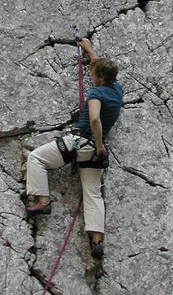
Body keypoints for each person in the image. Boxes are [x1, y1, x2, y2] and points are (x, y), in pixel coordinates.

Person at [25, 38, 123, 259]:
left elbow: (95, 120)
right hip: (96, 152)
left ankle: (43, 201)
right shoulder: (117, 90)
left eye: (93, 74)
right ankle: (97, 240)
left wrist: (98, 146)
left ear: (99, 78)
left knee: (36, 159)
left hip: (81, 142)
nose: (90, 74)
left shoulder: (95, 95)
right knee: (93, 193)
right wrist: (88, 50)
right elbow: (97, 64)